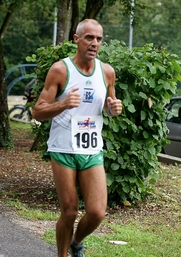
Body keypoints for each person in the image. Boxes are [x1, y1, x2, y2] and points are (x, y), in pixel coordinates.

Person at [32, 19, 122, 257]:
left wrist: (114, 108)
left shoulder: (107, 72)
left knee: (97, 212)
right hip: (63, 149)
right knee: (70, 211)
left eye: (99, 39)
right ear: (76, 39)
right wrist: (62, 104)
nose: (94, 43)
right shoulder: (61, 70)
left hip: (91, 151)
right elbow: (38, 111)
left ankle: (76, 241)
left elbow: (108, 107)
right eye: (89, 38)